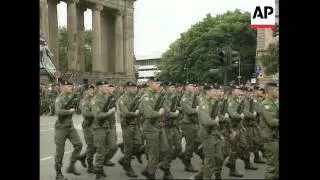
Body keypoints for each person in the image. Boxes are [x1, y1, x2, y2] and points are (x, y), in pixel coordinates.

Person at [139, 77, 170, 179]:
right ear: (150, 84)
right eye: (156, 83)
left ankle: (149, 169)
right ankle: (151, 175)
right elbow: (148, 113)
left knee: (165, 150)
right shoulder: (146, 97)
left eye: (159, 83)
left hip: (160, 126)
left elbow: (166, 109)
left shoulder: (159, 95)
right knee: (153, 154)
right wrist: (159, 113)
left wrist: (165, 109)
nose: (159, 85)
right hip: (150, 128)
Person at [54, 79, 85, 180]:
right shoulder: (59, 99)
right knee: (60, 151)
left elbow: (78, 106)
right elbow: (58, 112)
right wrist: (69, 111)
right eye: (66, 86)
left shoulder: (71, 96)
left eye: (70, 86)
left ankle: (71, 165)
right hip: (61, 128)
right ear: (61, 87)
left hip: (70, 127)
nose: (69, 88)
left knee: (79, 145)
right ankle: (58, 173)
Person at [90, 80, 116, 179]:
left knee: (113, 146)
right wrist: (109, 112)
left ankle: (103, 163)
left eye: (108, 86)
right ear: (100, 87)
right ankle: (98, 172)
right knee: (100, 151)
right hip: (99, 128)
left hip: (108, 126)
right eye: (106, 86)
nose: (108, 88)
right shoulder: (95, 99)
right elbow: (97, 115)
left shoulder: (108, 97)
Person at [117, 81, 141, 178]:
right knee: (129, 146)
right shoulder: (122, 99)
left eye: (134, 87)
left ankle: (125, 159)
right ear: (126, 88)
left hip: (134, 124)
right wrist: (135, 113)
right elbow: (125, 112)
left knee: (139, 143)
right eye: (131, 87)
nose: (133, 89)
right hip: (127, 125)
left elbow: (140, 108)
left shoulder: (135, 97)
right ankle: (128, 166)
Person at [257, 81, 279, 179]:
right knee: (272, 167)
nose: (278, 92)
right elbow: (272, 121)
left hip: (275, 137)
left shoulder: (274, 103)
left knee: (276, 165)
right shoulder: (266, 104)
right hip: (270, 139)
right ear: (270, 91)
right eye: (277, 90)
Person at [80, 85, 96, 173]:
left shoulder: (93, 100)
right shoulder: (84, 101)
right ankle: (90, 166)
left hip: (95, 126)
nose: (92, 91)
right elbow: (86, 114)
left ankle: (83, 157)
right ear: (85, 91)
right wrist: (96, 112)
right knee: (91, 146)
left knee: (97, 146)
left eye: (92, 90)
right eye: (90, 90)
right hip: (88, 126)